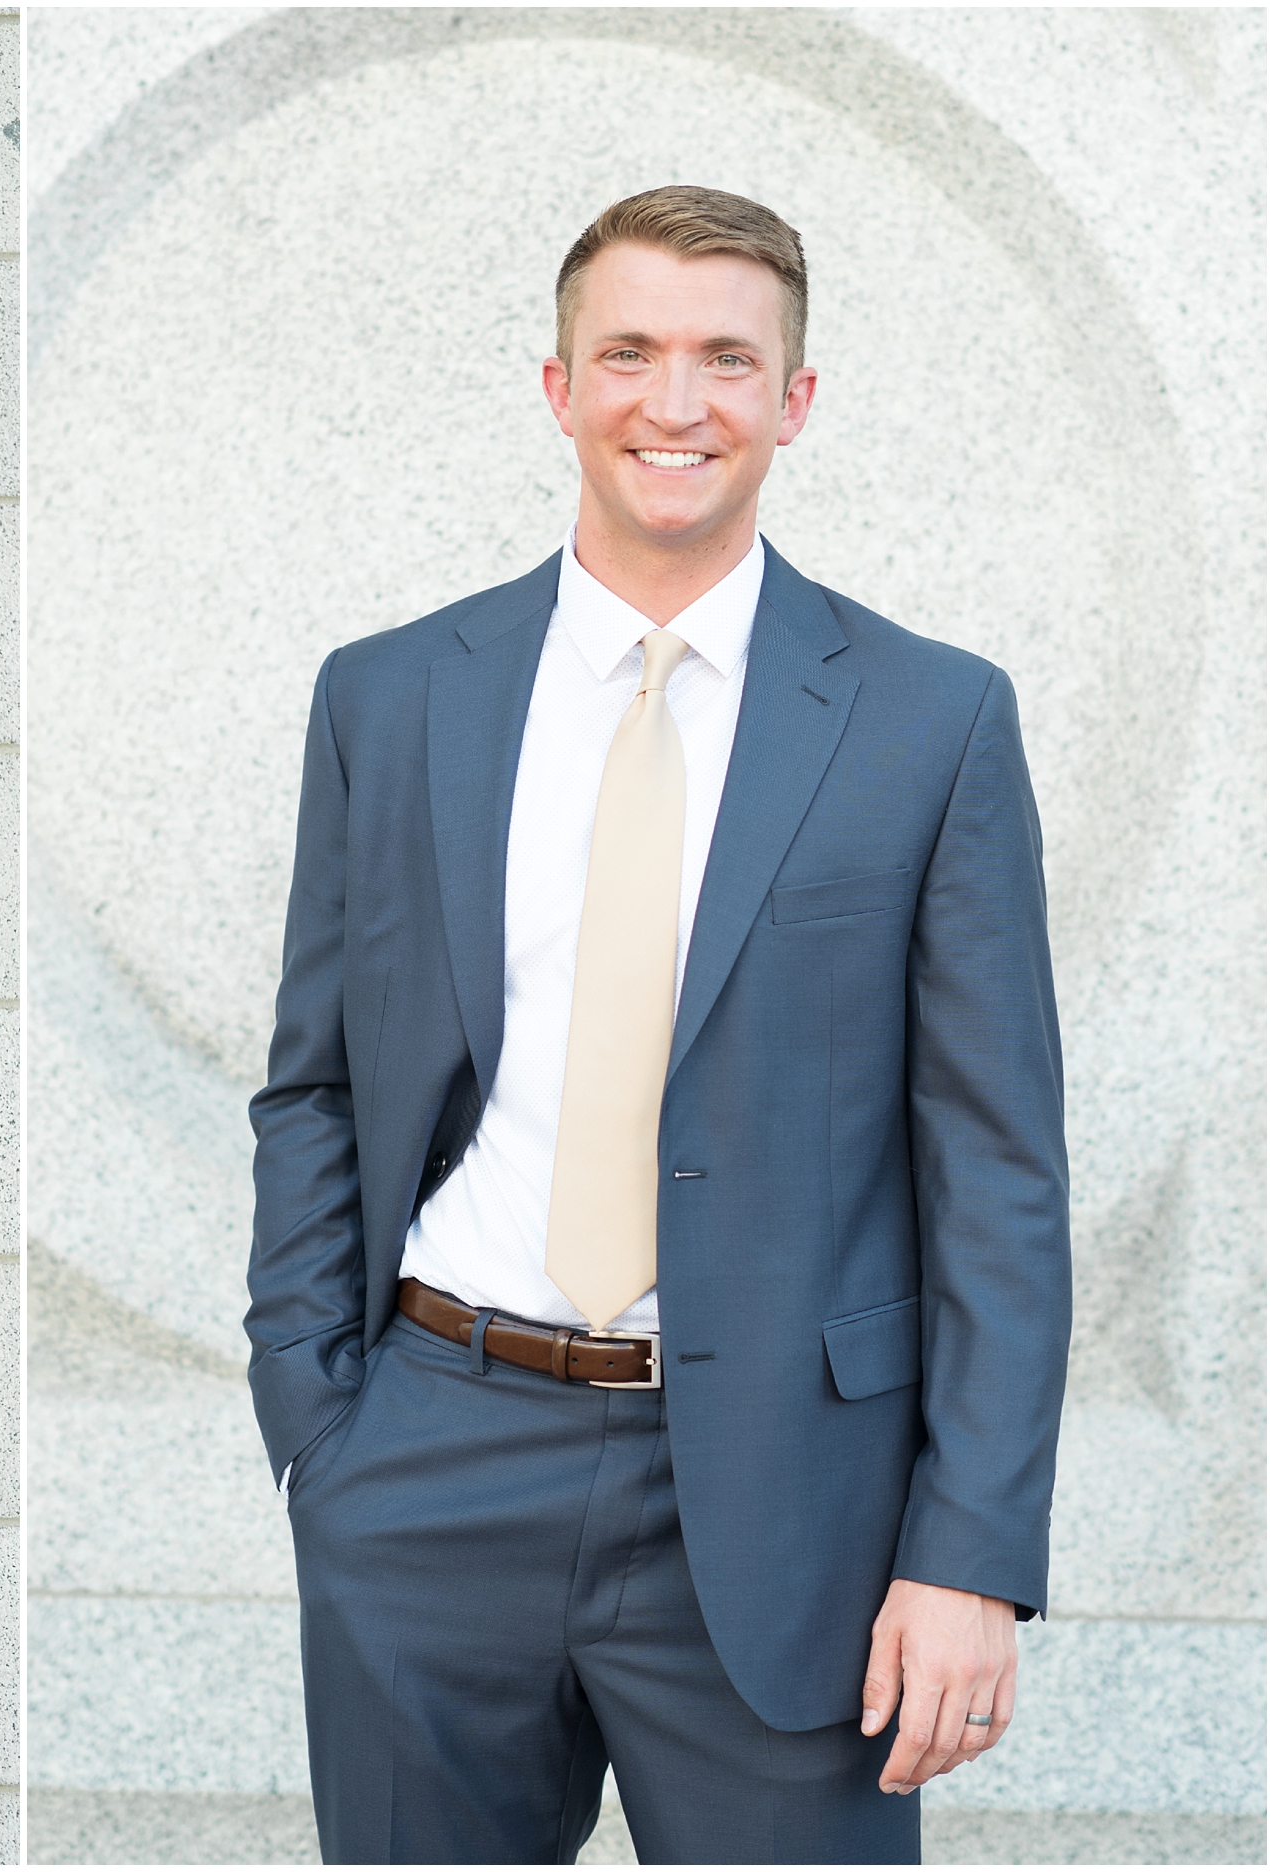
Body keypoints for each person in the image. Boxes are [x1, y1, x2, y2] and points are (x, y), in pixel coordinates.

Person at [245, 186, 1069, 1864]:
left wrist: (969, 1547)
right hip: (431, 1456)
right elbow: (318, 1086)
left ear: (796, 399)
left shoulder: (933, 720)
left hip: (792, 1506)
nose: (673, 404)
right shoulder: (391, 697)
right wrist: (320, 1431)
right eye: (627, 353)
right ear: (559, 387)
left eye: (724, 360)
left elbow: (998, 1170)